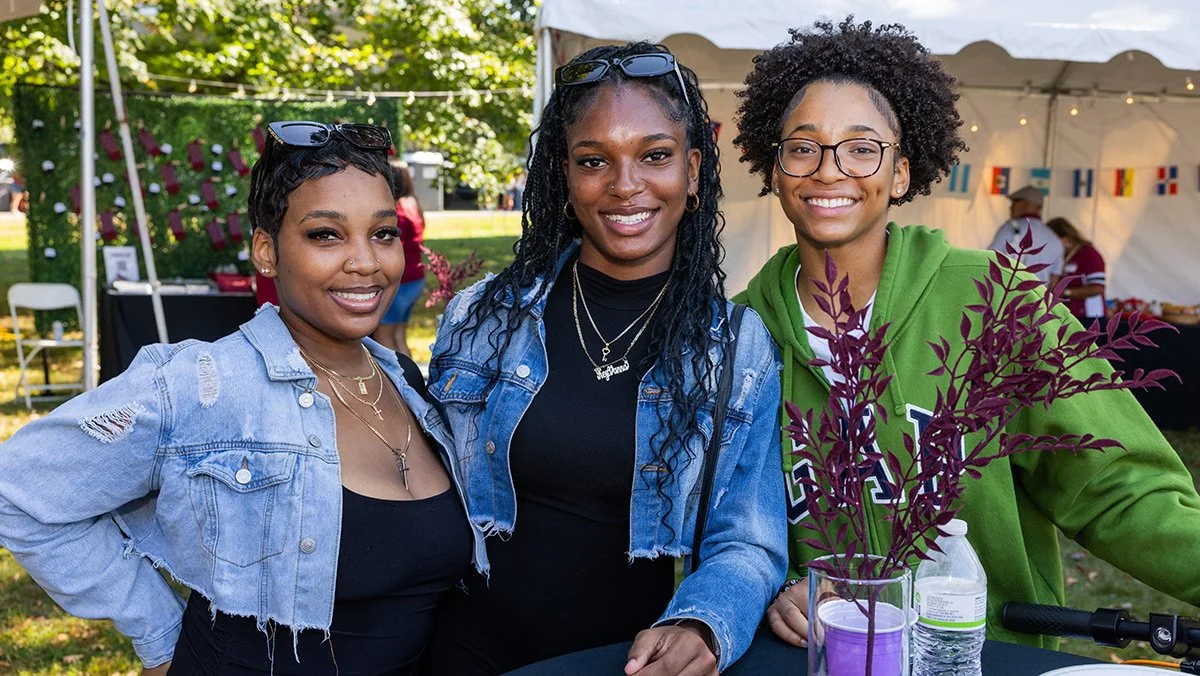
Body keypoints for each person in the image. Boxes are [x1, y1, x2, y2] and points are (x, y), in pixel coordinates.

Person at [731, 18, 1200, 650]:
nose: (829, 168)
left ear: (901, 173)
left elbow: (1116, 484)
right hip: (815, 660)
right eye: (803, 146)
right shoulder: (738, 335)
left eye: (862, 147)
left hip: (983, 655)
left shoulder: (996, 301)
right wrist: (774, 588)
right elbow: (722, 533)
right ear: (776, 168)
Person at [0, 121, 484, 674]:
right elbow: (19, 491)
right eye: (325, 234)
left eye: (383, 233)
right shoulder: (204, 385)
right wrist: (159, 636)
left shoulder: (405, 381)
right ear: (266, 251)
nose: (365, 262)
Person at [422, 42, 787, 675]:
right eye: (594, 160)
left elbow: (747, 538)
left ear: (693, 172)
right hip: (466, 655)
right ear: (564, 174)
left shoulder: (736, 346)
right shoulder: (485, 317)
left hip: (628, 663)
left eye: (655, 156)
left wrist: (702, 621)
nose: (625, 185)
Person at [373, 164, 426, 357]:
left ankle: (396, 382)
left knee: (384, 337)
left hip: (401, 281)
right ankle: (410, 379)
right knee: (399, 335)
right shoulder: (413, 206)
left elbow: (391, 248)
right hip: (415, 278)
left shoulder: (396, 214)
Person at [988, 184, 1064, 284]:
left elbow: (990, 259)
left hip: (1009, 295)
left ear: (1025, 204)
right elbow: (1054, 280)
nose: (1010, 207)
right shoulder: (1055, 239)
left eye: (1014, 203)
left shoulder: (1011, 227)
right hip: (1038, 298)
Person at [1046, 216, 1107, 321]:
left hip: (1089, 317)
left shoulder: (1089, 253)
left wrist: (1065, 292)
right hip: (1067, 315)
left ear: (1065, 239)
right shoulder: (1061, 256)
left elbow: (1097, 288)